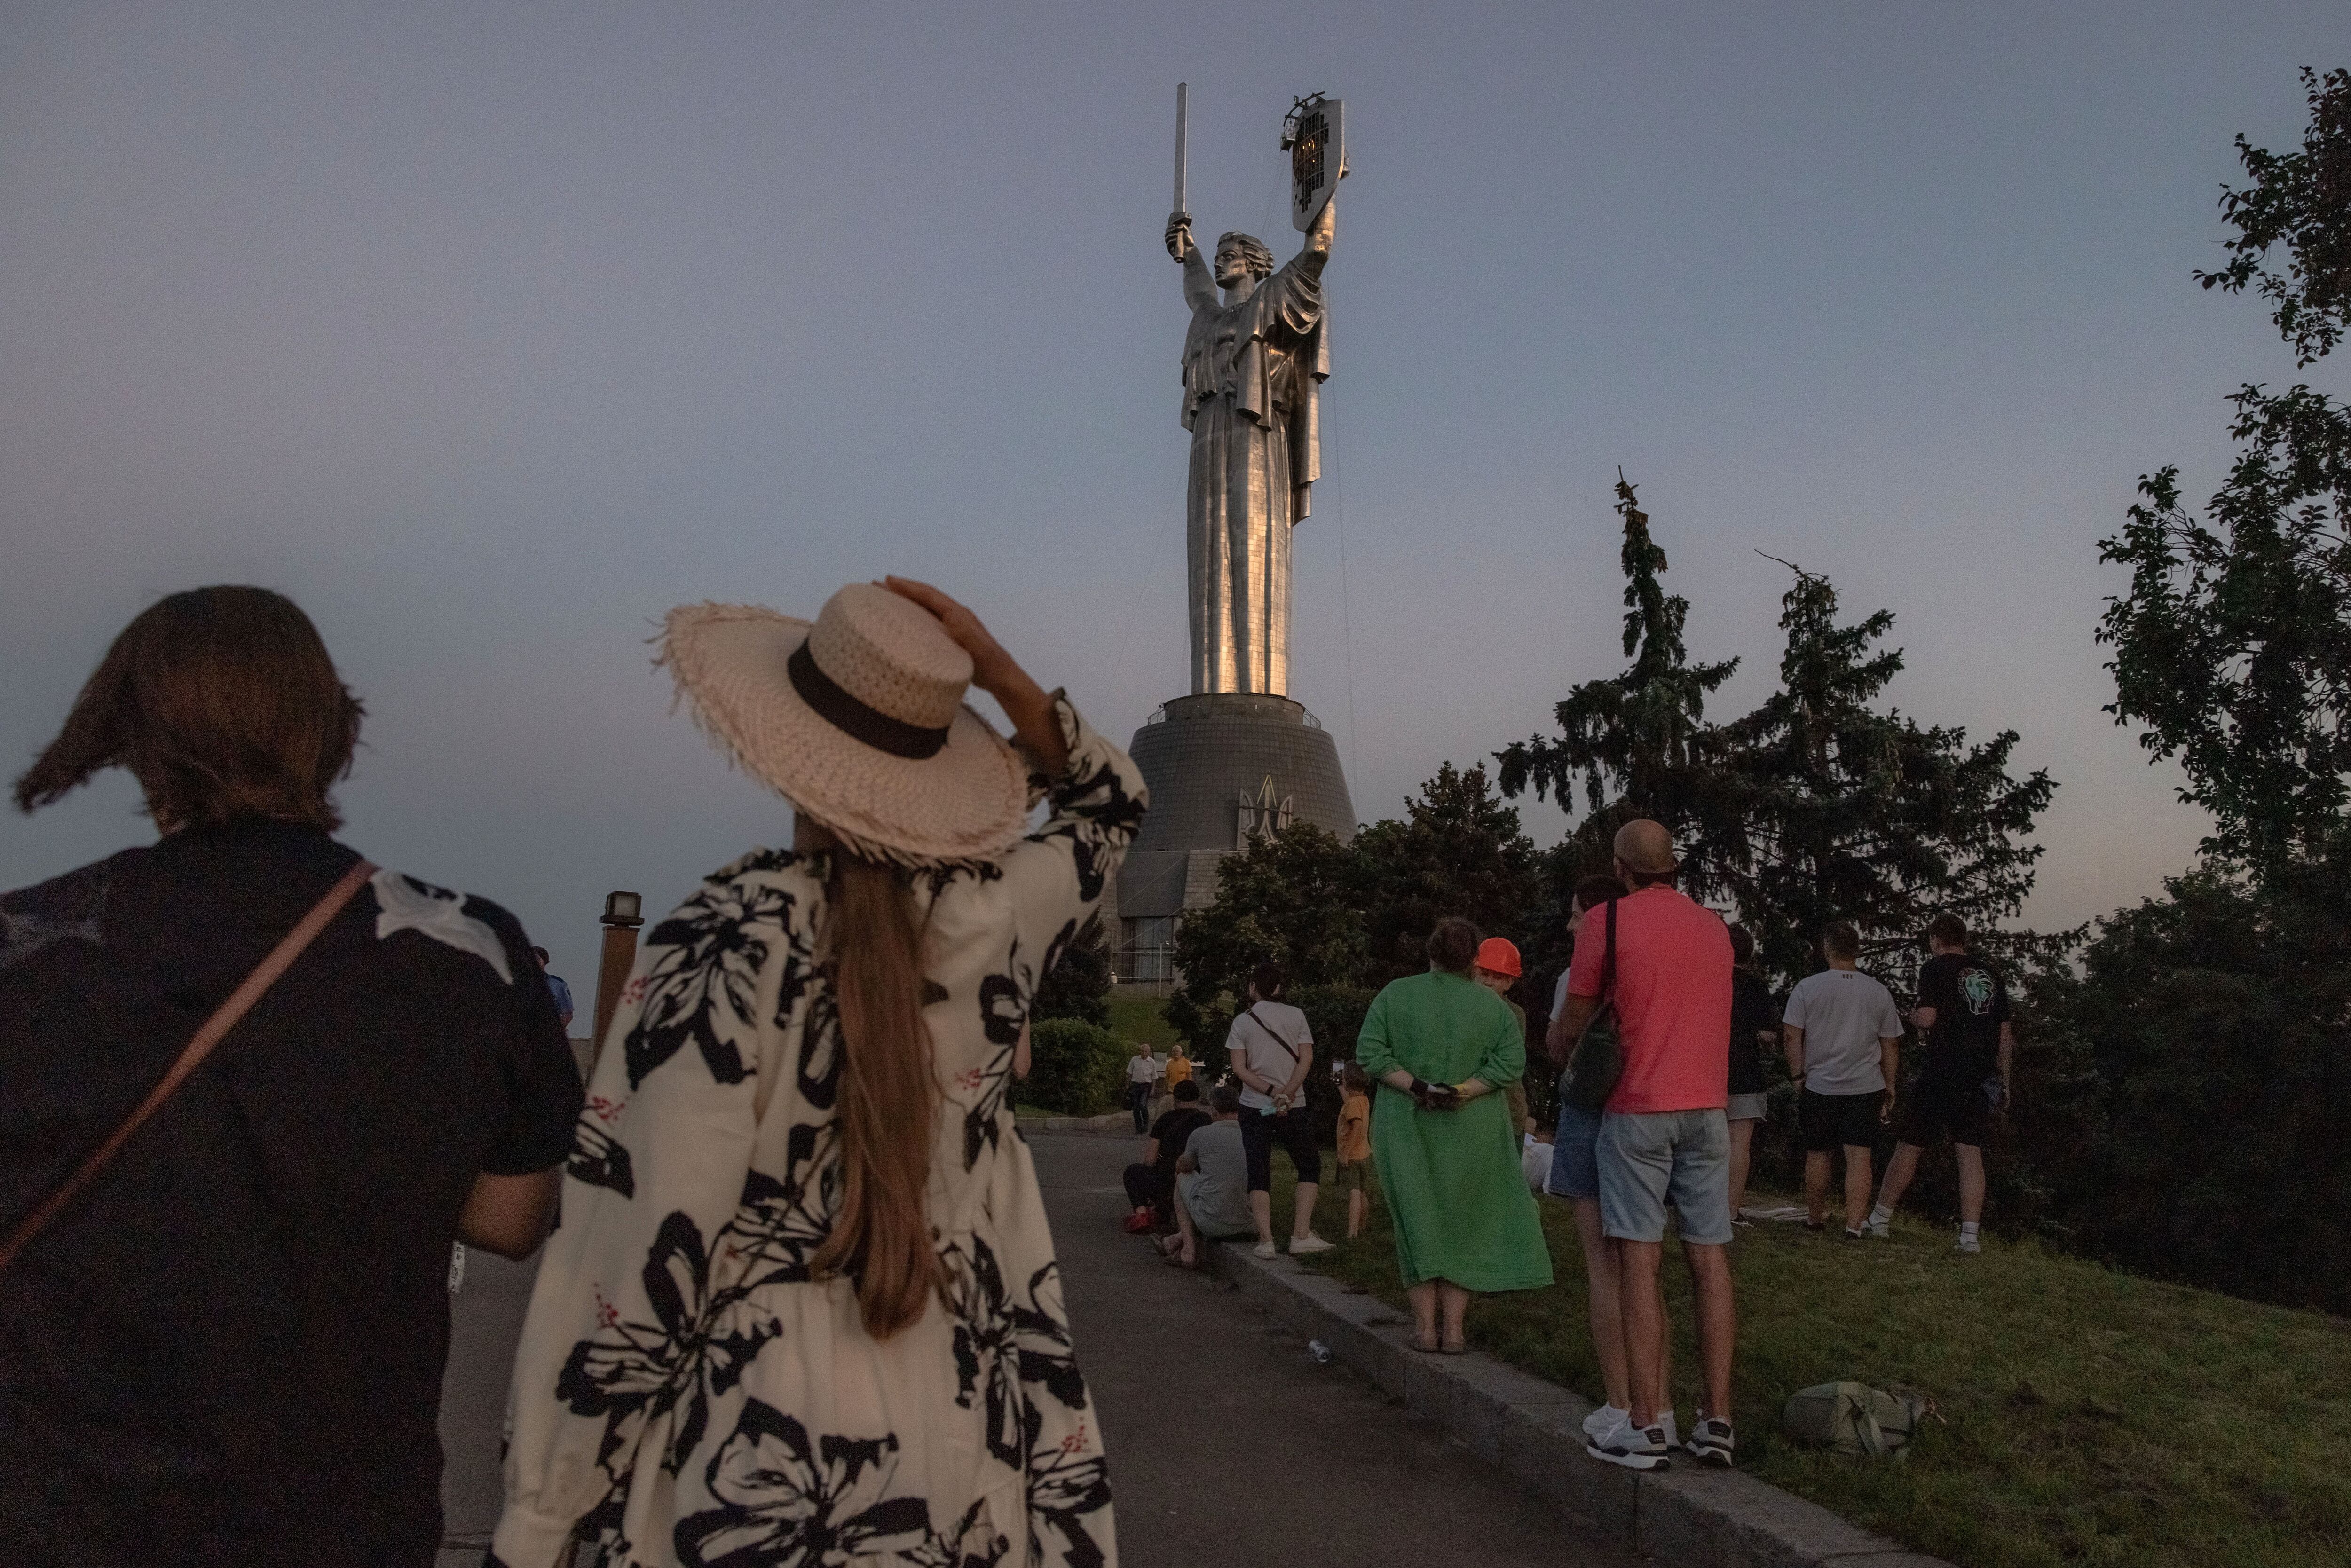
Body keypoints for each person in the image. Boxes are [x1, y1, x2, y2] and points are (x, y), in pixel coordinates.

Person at [494, 580, 1137, 1568]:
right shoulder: (997, 920)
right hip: (960, 1422)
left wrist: (543, 1512)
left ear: (787, 757)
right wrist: (996, 668)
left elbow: (635, 1245)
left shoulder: (721, 939)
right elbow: (1111, 804)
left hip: (755, 1438)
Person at [0, 586, 583, 1568]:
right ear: (330, 730)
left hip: (64, 1512)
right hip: (344, 1515)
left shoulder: (25, 941)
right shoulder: (467, 948)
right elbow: (510, 1218)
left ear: (137, 738)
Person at [1556, 820, 1737, 1471]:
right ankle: (1717, 1418)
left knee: (1639, 1259)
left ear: (1620, 864)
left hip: (1637, 1107)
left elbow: (1574, 1023)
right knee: (1709, 1259)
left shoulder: (1606, 922)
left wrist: (1559, 1053)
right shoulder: (1713, 927)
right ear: (1674, 865)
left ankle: (1642, 1424)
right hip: (1708, 1108)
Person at [1357, 917, 1554, 1355]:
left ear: (1431, 953)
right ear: (1473, 960)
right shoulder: (1495, 1010)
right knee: (1465, 1223)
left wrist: (1419, 1087)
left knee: (1418, 1219)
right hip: (1475, 1128)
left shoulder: (1396, 994)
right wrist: (1462, 1091)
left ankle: (1425, 1328)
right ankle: (1457, 1331)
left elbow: (1370, 1053)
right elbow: (1507, 1068)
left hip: (1405, 1125)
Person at [1542, 872, 1672, 1449]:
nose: (1570, 925)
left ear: (1595, 917)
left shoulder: (1577, 974)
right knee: (1644, 1265)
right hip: (1650, 1110)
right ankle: (1661, 1403)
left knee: (1602, 1263)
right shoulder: (1660, 964)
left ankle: (1619, 1400)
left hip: (1591, 1110)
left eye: (1576, 914)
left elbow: (1559, 1042)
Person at [1866, 914, 2015, 1253]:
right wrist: (2005, 1078)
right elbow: (2006, 1033)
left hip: (1941, 1070)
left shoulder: (1935, 968)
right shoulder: (1991, 974)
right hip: (1978, 1077)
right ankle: (1970, 1237)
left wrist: (1913, 1015)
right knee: (1969, 1151)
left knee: (1911, 1144)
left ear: (1936, 938)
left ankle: (1880, 1218)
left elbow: (1929, 1017)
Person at [1781, 921, 1903, 1238]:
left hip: (1819, 1083)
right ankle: (1854, 1226)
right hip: (1866, 1085)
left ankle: (1815, 1218)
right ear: (1857, 950)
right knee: (1859, 1155)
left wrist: (1797, 1075)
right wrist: (1890, 1085)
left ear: (1826, 948)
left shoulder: (1808, 987)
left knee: (1818, 1153)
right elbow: (1890, 1042)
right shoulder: (1877, 991)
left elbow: (1792, 1035)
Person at [1223, 962, 1333, 1258]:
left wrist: (1272, 1093)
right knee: (1308, 1164)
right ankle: (1301, 1235)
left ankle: (1266, 1241)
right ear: (1279, 988)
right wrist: (1288, 1093)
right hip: (1292, 1105)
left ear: (1253, 987)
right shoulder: (1296, 1015)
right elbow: (1306, 1059)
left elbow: (1239, 1070)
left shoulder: (1242, 1022)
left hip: (1255, 1106)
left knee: (1259, 1170)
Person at [1166, 1085, 1256, 1267]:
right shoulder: (1254, 1134)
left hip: (1215, 1224)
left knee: (1183, 1178)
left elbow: (1184, 1167)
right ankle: (1177, 1239)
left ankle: (1188, 1252)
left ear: (1213, 1110)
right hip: (1253, 1224)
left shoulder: (1202, 1134)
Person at [1724, 925, 1778, 1225]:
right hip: (1746, 1071)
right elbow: (1768, 1036)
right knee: (1739, 1144)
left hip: (1708, 1070)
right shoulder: (1757, 987)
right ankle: (1731, 1210)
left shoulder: (1708, 979)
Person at [1471, 936, 1538, 1141]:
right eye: (1485, 974)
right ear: (1473, 972)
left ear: (1509, 983)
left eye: (1498, 977)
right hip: (1471, 1107)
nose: (1489, 982)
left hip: (1506, 1110)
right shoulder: (1460, 1007)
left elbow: (1506, 1065)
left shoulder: (1514, 1015)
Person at [1124, 1079, 1210, 1233]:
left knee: (1132, 1172)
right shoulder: (1206, 1120)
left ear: (1175, 1099)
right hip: (1197, 1184)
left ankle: (1142, 1214)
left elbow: (1150, 1161)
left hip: (1166, 1184)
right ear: (1197, 1099)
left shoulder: (1165, 1120)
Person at [1335, 1062, 1374, 1239]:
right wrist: (1340, 1087)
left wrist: (1346, 1152)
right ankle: (1364, 1224)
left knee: (1354, 1195)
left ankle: (1352, 1232)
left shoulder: (1352, 1105)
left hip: (1353, 1157)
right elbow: (1350, 1103)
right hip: (1365, 1154)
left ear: (1348, 1082)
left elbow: (1357, 1126)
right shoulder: (1362, 1100)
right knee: (1363, 1194)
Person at [532, 945, 576, 1033]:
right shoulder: (516, 983)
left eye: (538, 959)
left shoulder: (558, 985)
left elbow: (567, 1014)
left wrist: (554, 1031)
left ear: (545, 962)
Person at [1125, 1038, 1162, 1133]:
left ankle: (1146, 1124)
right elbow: (1129, 1073)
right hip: (1136, 1085)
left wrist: (1153, 1089)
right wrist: (1127, 1085)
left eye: (1146, 1051)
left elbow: (1154, 1076)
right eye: (1143, 1051)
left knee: (1143, 1105)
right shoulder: (1134, 1060)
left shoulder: (1152, 1062)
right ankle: (1139, 1127)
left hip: (1146, 1086)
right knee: (1136, 1107)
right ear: (1140, 1051)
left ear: (1149, 1052)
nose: (1144, 1053)